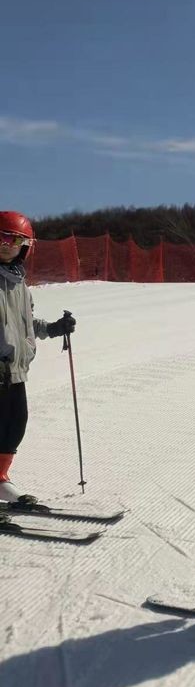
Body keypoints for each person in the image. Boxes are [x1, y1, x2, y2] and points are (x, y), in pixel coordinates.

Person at [0, 211, 77, 502]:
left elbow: (26, 325)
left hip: (14, 371)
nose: (6, 244)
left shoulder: (19, 283)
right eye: (1, 237)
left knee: (14, 425)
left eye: (14, 238)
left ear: (26, 245)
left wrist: (54, 329)